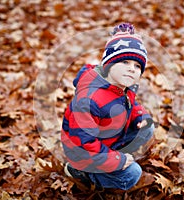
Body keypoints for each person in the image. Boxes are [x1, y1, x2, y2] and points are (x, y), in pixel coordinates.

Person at [61, 23, 154, 191]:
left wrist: (140, 116)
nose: (131, 69)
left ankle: (117, 156)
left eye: (137, 66)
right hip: (84, 151)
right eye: (125, 61)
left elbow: (130, 105)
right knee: (131, 175)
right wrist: (117, 160)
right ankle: (80, 172)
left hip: (109, 138)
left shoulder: (122, 86)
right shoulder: (88, 100)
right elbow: (84, 144)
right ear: (109, 64)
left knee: (147, 128)